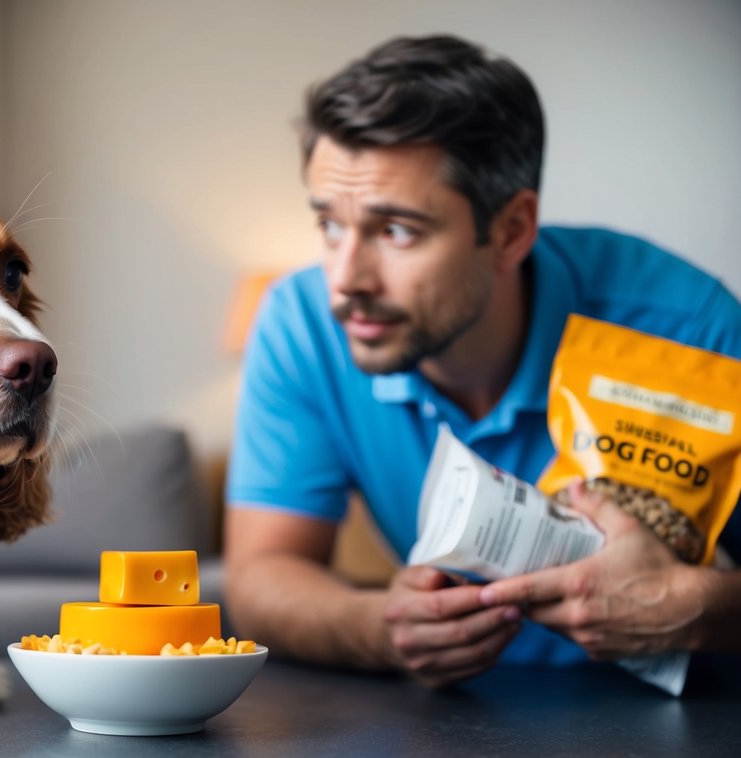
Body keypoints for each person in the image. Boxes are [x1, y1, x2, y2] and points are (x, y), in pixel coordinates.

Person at [223, 34, 741, 689]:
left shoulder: (690, 328)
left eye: (396, 231)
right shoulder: (300, 324)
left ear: (511, 230)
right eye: (329, 224)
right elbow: (262, 574)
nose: (344, 279)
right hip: (449, 734)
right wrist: (380, 626)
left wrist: (692, 610)